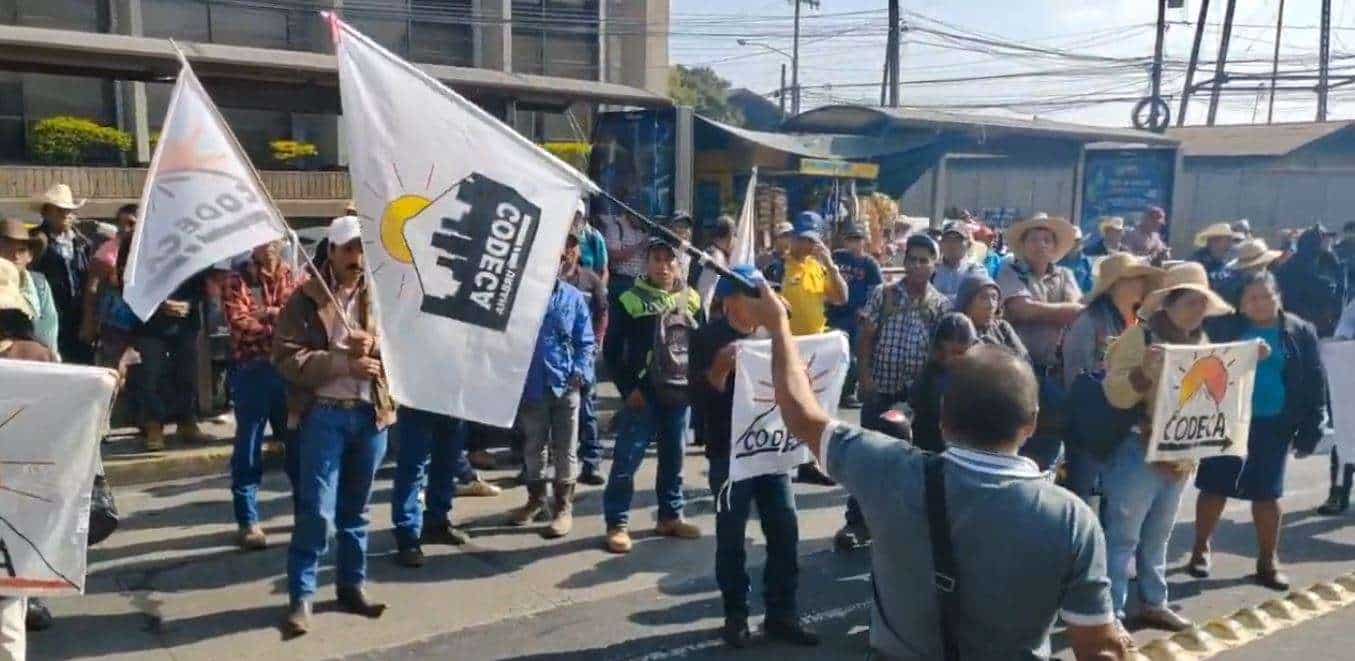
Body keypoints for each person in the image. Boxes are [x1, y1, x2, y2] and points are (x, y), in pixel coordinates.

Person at [743, 282, 1128, 659]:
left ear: (942, 418)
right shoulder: (1073, 519)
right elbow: (1098, 649)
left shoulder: (887, 469)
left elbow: (802, 415)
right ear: (1030, 425)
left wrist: (779, 326)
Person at [274, 216, 394, 636]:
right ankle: (301, 597)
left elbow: (407, 345)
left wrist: (376, 345)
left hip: (370, 415)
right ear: (331, 251)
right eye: (348, 249)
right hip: (323, 413)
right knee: (316, 513)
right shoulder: (305, 299)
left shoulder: (381, 293)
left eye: (361, 250)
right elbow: (288, 359)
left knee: (356, 512)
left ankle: (351, 586)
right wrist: (343, 362)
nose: (356, 258)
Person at [690, 265, 819, 649]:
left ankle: (783, 613)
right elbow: (698, 401)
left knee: (785, 532)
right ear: (730, 301)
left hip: (772, 452)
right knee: (731, 539)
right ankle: (736, 615)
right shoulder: (707, 337)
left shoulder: (777, 334)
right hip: (729, 457)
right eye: (754, 296)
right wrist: (718, 371)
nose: (764, 302)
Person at [1102, 262, 1233, 631]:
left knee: (1158, 535)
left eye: (1201, 304)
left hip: (1178, 456)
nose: (1198, 311)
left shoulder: (1202, 343)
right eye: (1191, 302)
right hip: (1137, 451)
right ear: (1169, 304)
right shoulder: (1139, 337)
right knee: (1123, 536)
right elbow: (1115, 394)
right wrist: (1144, 370)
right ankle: (1110, 613)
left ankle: (1153, 602)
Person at [1189, 271, 1327, 591]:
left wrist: (1312, 424)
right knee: (1214, 487)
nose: (1260, 303)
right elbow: (1205, 364)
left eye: (1266, 295)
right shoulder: (1226, 327)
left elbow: (1313, 379)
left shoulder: (1299, 330)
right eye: (1252, 298)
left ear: (1279, 296)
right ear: (1241, 305)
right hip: (1228, 419)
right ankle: (1200, 549)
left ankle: (1268, 561)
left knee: (1267, 493)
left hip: (1274, 422)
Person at [841, 233, 950, 549]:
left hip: (917, 400)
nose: (917, 265)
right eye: (912, 259)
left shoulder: (941, 306)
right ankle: (857, 524)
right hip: (881, 392)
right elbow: (866, 339)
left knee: (916, 463)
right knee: (869, 460)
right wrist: (865, 379)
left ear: (934, 265)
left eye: (924, 260)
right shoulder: (883, 294)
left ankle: (905, 527)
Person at [602, 238, 703, 554]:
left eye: (669, 260)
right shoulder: (629, 299)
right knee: (626, 461)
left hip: (680, 395)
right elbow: (612, 351)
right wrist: (628, 390)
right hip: (643, 398)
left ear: (678, 264)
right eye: (656, 259)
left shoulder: (693, 298)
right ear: (646, 264)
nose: (663, 266)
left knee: (674, 458)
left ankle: (670, 516)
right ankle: (616, 523)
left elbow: (700, 346)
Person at [1060, 253, 1161, 505]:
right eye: (1134, 278)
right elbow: (1075, 377)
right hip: (1093, 426)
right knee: (1087, 498)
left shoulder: (1144, 325)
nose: (1141, 284)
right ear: (1115, 285)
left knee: (1118, 504)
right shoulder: (1088, 322)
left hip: (1129, 426)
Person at [222, 240, 300, 550]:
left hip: (288, 372)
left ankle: (306, 515)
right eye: (262, 241)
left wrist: (267, 315)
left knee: (299, 444)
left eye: (274, 241)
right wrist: (279, 320)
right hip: (252, 371)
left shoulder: (295, 277)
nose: (268, 247)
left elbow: (303, 320)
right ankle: (248, 521)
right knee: (249, 447)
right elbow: (240, 324)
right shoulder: (236, 279)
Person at [0, 257, 60, 660]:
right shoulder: (36, 354)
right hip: (17, 496)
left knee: (8, 608)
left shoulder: (35, 356)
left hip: (15, 496)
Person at [511, 258, 595, 539]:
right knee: (534, 446)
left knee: (566, 448)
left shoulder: (573, 298)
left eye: (558, 259)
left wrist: (580, 371)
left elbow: (586, 340)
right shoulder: (519, 295)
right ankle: (536, 500)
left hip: (566, 385)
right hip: (532, 385)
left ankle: (563, 508)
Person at [996, 214, 1083, 470]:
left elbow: (1079, 313)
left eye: (1047, 239)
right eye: (1034, 239)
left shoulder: (1065, 275)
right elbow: (1021, 310)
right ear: (1022, 245)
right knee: (1017, 435)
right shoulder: (1009, 271)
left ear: (1055, 247)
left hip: (1055, 372)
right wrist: (1062, 311)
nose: (1041, 244)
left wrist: (1045, 310)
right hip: (1019, 370)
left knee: (1051, 438)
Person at [560, 227, 610, 485]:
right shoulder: (549, 279)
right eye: (564, 245)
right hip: (555, 358)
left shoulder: (591, 280)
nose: (568, 251)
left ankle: (591, 463)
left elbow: (603, 312)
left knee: (587, 410)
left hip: (584, 354)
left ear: (578, 250)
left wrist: (597, 342)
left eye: (572, 246)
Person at [28, 183, 93, 364]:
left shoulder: (82, 243)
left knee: (81, 363)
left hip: (77, 314)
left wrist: (89, 318)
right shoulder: (34, 241)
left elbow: (89, 280)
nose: (65, 215)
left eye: (68, 210)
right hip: (46, 314)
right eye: (59, 210)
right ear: (45, 213)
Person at [827, 224, 883, 409]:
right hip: (833, 314)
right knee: (834, 353)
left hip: (855, 317)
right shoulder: (835, 257)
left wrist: (866, 311)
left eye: (857, 239)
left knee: (853, 356)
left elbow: (876, 292)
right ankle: (832, 390)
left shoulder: (869, 264)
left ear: (864, 242)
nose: (854, 244)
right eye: (850, 239)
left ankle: (848, 392)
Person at [908, 313, 979, 453]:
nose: (952, 359)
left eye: (960, 353)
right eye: (947, 352)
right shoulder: (928, 378)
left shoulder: (982, 377)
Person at [780, 212, 847, 337]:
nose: (806, 245)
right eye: (801, 239)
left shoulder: (819, 267)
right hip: (788, 342)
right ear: (792, 238)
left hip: (815, 343)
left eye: (811, 240)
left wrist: (830, 265)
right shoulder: (778, 267)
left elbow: (841, 298)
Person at [0, 219, 58, 354]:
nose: (15, 256)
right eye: (6, 249)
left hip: (30, 359)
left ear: (30, 256)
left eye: (21, 250)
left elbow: (48, 332)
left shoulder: (39, 285)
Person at [1277, 225, 1346, 337]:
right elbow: (1322, 287)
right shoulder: (1305, 263)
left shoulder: (1322, 260)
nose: (1329, 242)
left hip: (1296, 323)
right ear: (1315, 242)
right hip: (1306, 324)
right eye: (1324, 238)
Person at [954, 273, 1027, 361]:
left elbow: (1024, 360)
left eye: (994, 297)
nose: (991, 305)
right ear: (967, 303)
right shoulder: (956, 333)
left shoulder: (1002, 328)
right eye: (983, 298)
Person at [931, 222, 987, 301]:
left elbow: (974, 299)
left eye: (958, 239)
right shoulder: (932, 270)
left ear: (968, 244)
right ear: (941, 244)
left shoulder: (976, 270)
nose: (952, 244)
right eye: (947, 239)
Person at [695, 215, 735, 318]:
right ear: (730, 236)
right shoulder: (716, 257)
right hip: (703, 316)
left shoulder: (708, 251)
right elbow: (706, 294)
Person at [1189, 222, 1241, 291]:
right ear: (1214, 241)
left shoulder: (1221, 261)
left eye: (1231, 240)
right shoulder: (1197, 263)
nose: (1230, 245)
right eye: (1228, 240)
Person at [573, 197, 608, 283]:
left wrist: (599, 290)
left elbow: (603, 272)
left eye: (577, 217)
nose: (573, 220)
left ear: (583, 219)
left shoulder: (594, 237)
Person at [1059, 225, 1095, 294]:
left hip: (1080, 301)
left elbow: (1090, 287)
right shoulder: (1057, 260)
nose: (1075, 243)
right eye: (1072, 240)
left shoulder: (1088, 262)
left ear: (1081, 242)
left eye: (1077, 240)